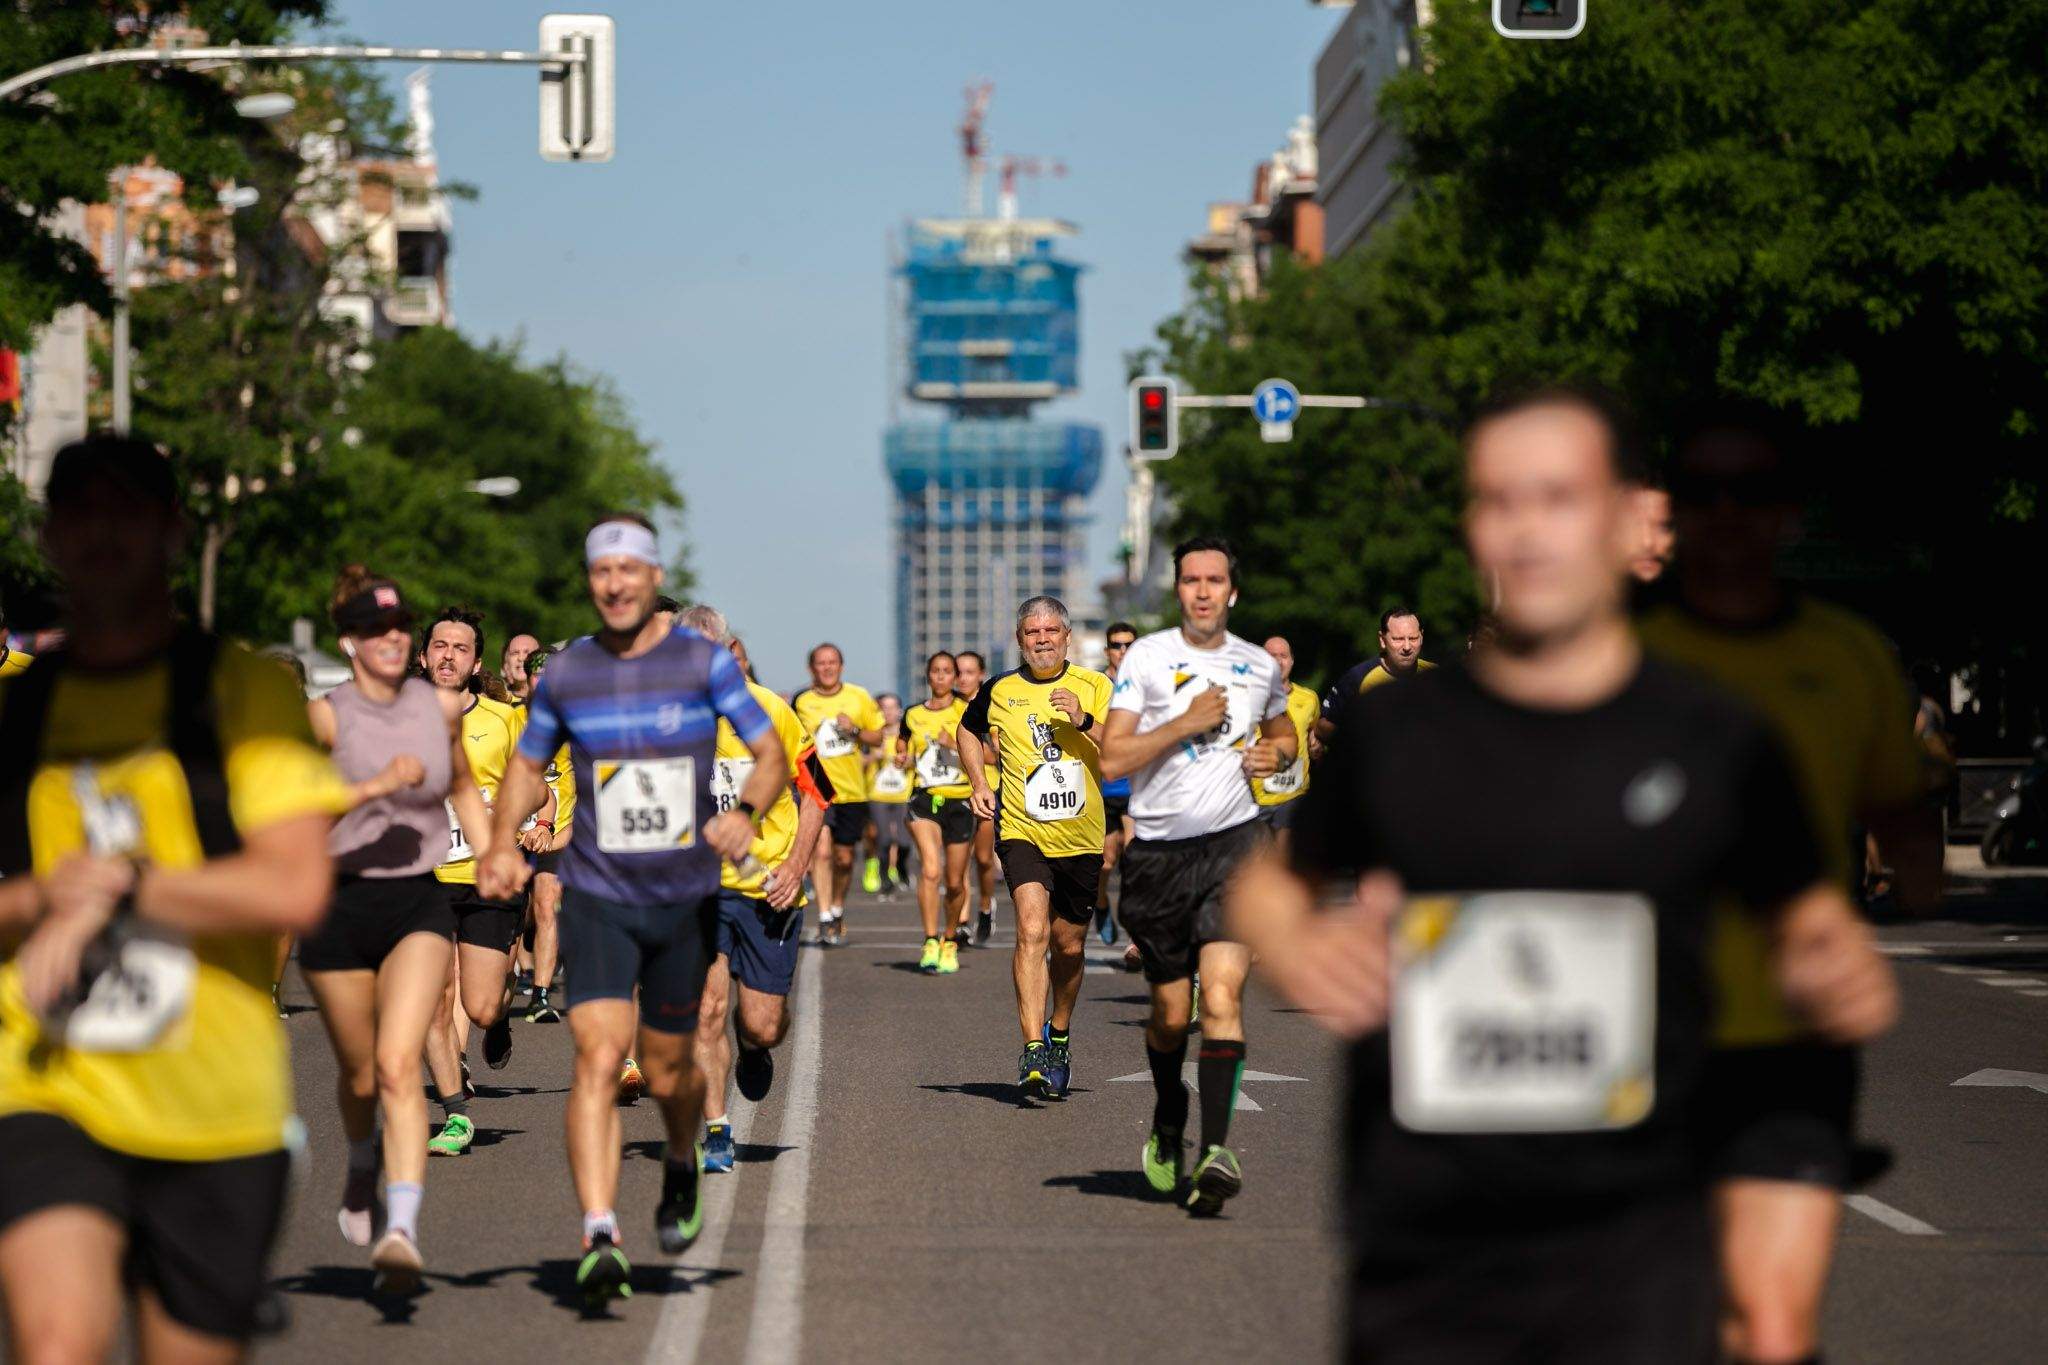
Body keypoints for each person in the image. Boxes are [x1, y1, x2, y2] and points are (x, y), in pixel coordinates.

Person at [1230, 386, 1898, 1362]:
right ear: (1471, 528)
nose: (1527, 529)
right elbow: (1268, 886)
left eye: (1558, 498)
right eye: (1499, 501)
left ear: (1626, 519)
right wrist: (1293, 939)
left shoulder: (1715, 736)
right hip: (1428, 1245)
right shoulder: (1398, 733)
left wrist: (1832, 963)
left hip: (1636, 1238)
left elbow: (1809, 917)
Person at [0, 435, 348, 1363]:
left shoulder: (244, 693)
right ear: (50, 535)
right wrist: (40, 900)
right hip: (46, 1081)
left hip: (211, 1102)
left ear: (172, 531)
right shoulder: (17, 710)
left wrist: (122, 886)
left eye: (127, 509)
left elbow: (297, 882)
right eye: (80, 510)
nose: (103, 532)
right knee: (54, 1345)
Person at [1637, 417, 1942, 1364]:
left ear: (1788, 513)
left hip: (1795, 1043)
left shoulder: (1850, 655)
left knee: (1772, 1328)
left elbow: (1911, 842)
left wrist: (1902, 869)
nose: (1727, 513)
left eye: (1752, 491)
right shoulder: (1620, 656)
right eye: (1704, 492)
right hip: (1642, 1038)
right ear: (1676, 514)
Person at [477, 514, 787, 1308]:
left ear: (653, 578)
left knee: (672, 1066)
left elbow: (769, 753)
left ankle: (681, 1158)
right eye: (601, 571)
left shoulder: (701, 663)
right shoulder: (571, 672)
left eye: (629, 569)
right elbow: (527, 767)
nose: (614, 583)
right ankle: (599, 1231)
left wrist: (747, 813)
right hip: (599, 895)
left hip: (682, 898)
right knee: (596, 1056)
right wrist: (503, 840)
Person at [301, 567, 488, 1294]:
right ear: (351, 642)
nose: (394, 640)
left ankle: (402, 1231)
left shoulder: (437, 713)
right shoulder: (323, 719)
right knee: (359, 1074)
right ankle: (360, 1162)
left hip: (417, 901)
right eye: (376, 630)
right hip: (340, 902)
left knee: (398, 1062)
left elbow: (462, 784)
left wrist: (494, 851)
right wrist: (375, 787)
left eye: (401, 627)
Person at [1098, 536, 1297, 1217]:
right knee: (1168, 1016)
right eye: (1191, 580)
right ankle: (1168, 1113)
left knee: (1220, 997)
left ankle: (1215, 1153)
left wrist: (1275, 753)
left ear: (1232, 591)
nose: (1203, 591)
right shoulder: (1148, 657)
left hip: (1234, 848)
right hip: (1158, 855)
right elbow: (1111, 759)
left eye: (1215, 580)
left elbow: (1284, 733)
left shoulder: (1257, 665)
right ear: (1178, 589)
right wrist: (1184, 723)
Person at [679, 605, 832, 1174]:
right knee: (707, 1009)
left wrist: (796, 866)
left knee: (761, 1023)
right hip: (697, 890)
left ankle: (754, 1048)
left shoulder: (770, 711)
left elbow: (818, 792)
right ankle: (718, 1128)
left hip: (768, 887)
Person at [962, 597, 1113, 1101]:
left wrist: (1084, 720)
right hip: (1023, 830)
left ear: (1067, 637)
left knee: (1069, 947)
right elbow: (967, 729)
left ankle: (1059, 1033)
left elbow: (1123, 748)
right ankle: (1032, 1047)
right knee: (1031, 930)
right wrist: (979, 782)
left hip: (1082, 836)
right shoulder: (1000, 688)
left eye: (1050, 631)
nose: (1042, 639)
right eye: (1032, 632)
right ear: (1019, 639)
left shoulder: (1096, 686)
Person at [418, 607, 536, 1157]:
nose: (448, 656)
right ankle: (455, 1115)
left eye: (460, 648)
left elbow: (538, 786)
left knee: (482, 1006)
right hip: (423, 878)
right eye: (439, 646)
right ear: (423, 657)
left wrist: (529, 817)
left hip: (488, 876)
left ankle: (500, 1016)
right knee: (434, 999)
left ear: (476, 662)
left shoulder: (505, 719)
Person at [791, 644, 884, 946]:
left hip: (852, 789)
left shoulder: (858, 696)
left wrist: (854, 730)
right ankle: (824, 917)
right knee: (821, 851)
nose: (827, 668)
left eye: (832, 662)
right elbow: (793, 742)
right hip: (818, 786)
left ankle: (837, 907)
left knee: (844, 859)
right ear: (811, 669)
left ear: (841, 666)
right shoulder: (802, 701)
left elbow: (878, 736)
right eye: (821, 663)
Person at [904, 652, 973, 974]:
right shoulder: (912, 714)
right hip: (924, 798)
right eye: (936, 671)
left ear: (955, 677)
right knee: (931, 870)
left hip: (960, 800)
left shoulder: (968, 711)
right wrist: (902, 759)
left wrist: (956, 744)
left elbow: (991, 755)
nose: (941, 676)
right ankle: (930, 940)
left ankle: (950, 938)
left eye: (947, 671)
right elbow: (904, 751)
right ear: (928, 675)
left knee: (955, 882)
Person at [520, 646, 576, 1026]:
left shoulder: (576, 726)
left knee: (546, 902)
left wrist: (566, 832)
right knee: (525, 915)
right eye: (537, 673)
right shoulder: (510, 719)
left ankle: (540, 996)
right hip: (513, 834)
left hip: (557, 832)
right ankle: (526, 935)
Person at [1315, 609, 1433, 746]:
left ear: (1421, 637)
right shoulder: (1358, 678)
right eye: (1398, 639)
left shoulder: (1435, 674)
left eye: (1413, 638)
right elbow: (1322, 727)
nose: (1407, 647)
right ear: (1382, 640)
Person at [1254, 636, 1321, 856]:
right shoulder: (1248, 697)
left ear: (1291, 661)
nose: (1278, 661)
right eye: (1271, 656)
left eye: (1283, 656)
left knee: (1285, 860)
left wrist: (1316, 745)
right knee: (1259, 864)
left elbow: (1314, 732)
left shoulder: (1309, 699)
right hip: (1254, 798)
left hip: (1294, 795)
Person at [1094, 623, 1138, 949]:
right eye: (1116, 645)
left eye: (1128, 645)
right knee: (1106, 861)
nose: (1122, 651)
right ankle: (1100, 903)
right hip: (1102, 786)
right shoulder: (1096, 686)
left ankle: (1136, 938)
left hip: (1136, 786)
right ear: (1107, 650)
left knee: (1136, 860)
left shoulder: (1146, 683)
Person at [954, 649, 1001, 945]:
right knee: (958, 862)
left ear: (981, 674)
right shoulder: (945, 706)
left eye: (969, 672)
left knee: (983, 859)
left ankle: (985, 906)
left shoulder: (992, 704)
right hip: (954, 792)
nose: (962, 678)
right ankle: (961, 921)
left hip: (987, 791)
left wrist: (958, 743)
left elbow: (995, 755)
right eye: (958, 672)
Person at [867, 693, 914, 899]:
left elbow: (919, 759)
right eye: (884, 707)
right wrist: (872, 757)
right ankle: (885, 879)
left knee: (904, 841)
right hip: (878, 795)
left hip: (903, 795)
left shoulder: (907, 735)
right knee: (884, 839)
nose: (888, 712)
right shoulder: (873, 736)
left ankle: (902, 866)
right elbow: (858, 760)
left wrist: (908, 760)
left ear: (900, 711)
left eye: (892, 707)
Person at [502, 632, 542, 704]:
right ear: (506, 666)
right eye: (515, 653)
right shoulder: (497, 703)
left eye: (527, 652)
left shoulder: (555, 701)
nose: (521, 658)